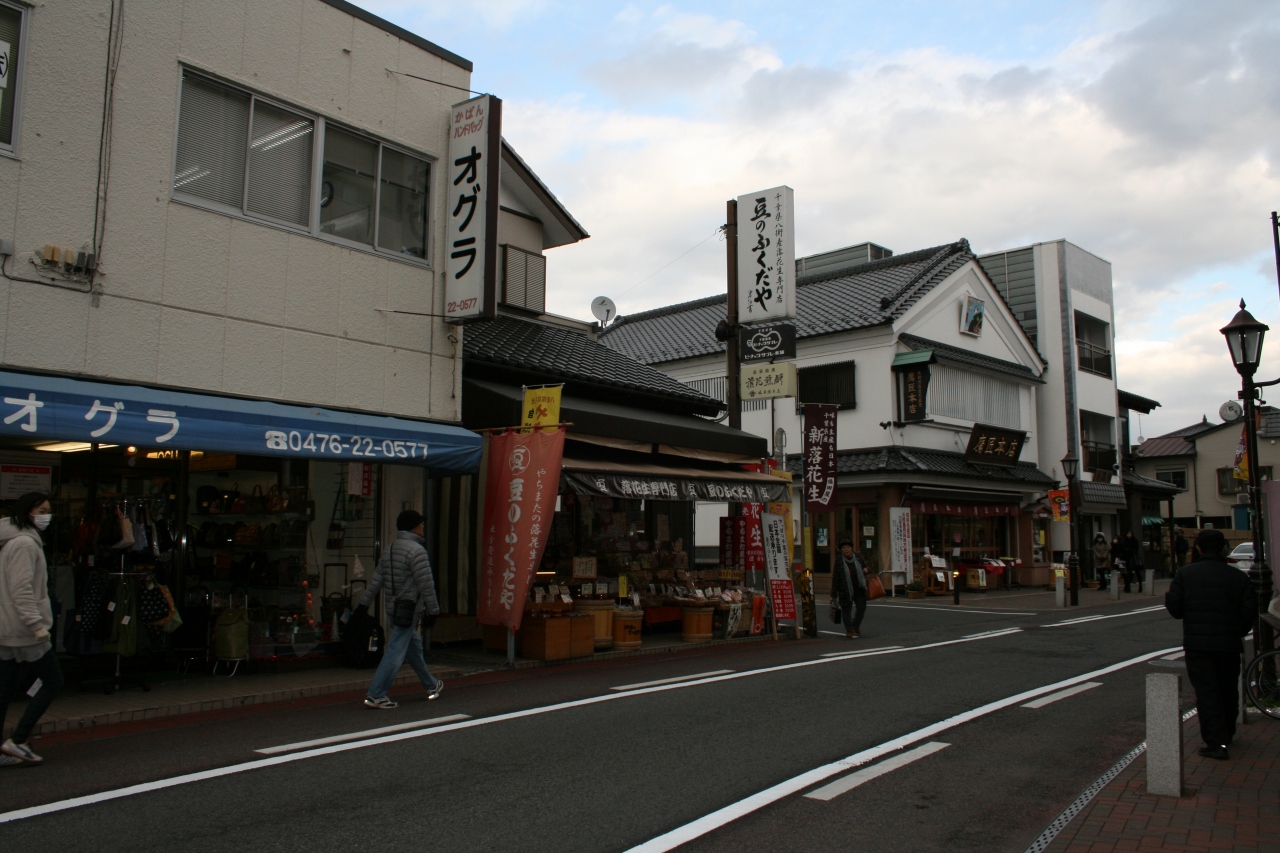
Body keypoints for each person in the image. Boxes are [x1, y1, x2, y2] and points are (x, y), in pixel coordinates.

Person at [1165, 528, 1256, 760]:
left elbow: (1175, 609)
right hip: (1229, 644)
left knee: (1207, 692)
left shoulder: (1185, 574)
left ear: (1198, 548)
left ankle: (1215, 742)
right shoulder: (1238, 577)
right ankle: (1227, 733)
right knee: (1227, 689)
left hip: (1198, 644)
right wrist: (1236, 631)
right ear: (1224, 548)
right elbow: (1248, 611)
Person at [347, 510, 443, 709]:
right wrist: (433, 610)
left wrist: (363, 604)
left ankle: (431, 684)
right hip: (410, 609)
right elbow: (426, 585)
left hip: (393, 608)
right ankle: (376, 694)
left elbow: (376, 580)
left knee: (413, 648)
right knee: (396, 651)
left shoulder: (390, 549)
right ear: (413, 526)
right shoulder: (417, 551)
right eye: (420, 523)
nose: (423, 526)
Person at [0, 492, 61, 766]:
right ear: (27, 512)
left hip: (10, 628)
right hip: (25, 630)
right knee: (53, 680)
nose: (46, 516)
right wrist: (37, 625)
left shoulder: (15, 540)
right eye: (41, 510)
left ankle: (6, 749)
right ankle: (19, 739)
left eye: (48, 510)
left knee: (5, 688)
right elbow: (21, 589)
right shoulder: (24, 544)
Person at [831, 538, 868, 638]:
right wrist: (834, 593)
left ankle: (856, 625)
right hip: (845, 590)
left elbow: (866, 566)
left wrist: (866, 569)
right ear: (841, 550)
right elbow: (836, 577)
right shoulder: (839, 561)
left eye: (848, 547)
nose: (846, 549)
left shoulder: (858, 557)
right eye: (844, 548)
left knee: (861, 608)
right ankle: (849, 630)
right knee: (846, 611)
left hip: (859, 588)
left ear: (851, 548)